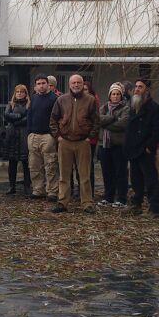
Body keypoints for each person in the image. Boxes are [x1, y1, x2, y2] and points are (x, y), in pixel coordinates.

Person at [50, 74, 100, 214]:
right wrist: (58, 136)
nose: (76, 85)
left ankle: (87, 203)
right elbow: (53, 119)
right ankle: (62, 202)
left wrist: (90, 137)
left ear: (82, 84)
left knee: (84, 175)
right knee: (64, 175)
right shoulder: (61, 100)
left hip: (83, 142)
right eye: (73, 82)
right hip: (65, 141)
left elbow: (96, 121)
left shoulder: (90, 100)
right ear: (69, 84)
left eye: (78, 82)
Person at [125, 78, 159, 217]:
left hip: (145, 149)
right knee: (136, 179)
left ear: (147, 90)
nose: (136, 89)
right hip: (133, 149)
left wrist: (149, 147)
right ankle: (137, 203)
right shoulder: (133, 106)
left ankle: (154, 208)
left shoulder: (154, 108)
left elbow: (158, 131)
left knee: (151, 179)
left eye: (140, 87)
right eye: (135, 86)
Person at [98, 82, 130, 207]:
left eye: (117, 94)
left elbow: (123, 124)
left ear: (121, 96)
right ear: (109, 95)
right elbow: (98, 120)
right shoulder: (103, 107)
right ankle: (108, 197)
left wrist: (107, 122)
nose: (115, 96)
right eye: (113, 94)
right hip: (104, 145)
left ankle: (121, 198)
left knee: (120, 172)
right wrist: (113, 118)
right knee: (107, 172)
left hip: (118, 145)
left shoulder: (125, 108)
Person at [28, 76, 59, 201]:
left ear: (48, 84)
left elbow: (57, 117)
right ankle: (38, 189)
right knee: (34, 166)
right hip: (34, 135)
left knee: (50, 165)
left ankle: (52, 191)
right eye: (38, 83)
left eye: (43, 83)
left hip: (48, 136)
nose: (41, 86)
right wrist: (29, 133)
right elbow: (29, 115)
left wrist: (54, 134)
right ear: (35, 85)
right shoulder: (34, 98)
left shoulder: (54, 99)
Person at [1, 84, 30, 195]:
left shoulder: (29, 105)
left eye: (21, 91)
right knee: (12, 162)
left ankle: (27, 186)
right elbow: (6, 115)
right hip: (12, 135)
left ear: (25, 93)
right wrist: (18, 116)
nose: (19, 93)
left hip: (23, 134)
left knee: (25, 162)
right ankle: (11, 186)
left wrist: (16, 120)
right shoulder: (11, 104)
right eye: (17, 91)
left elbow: (28, 117)